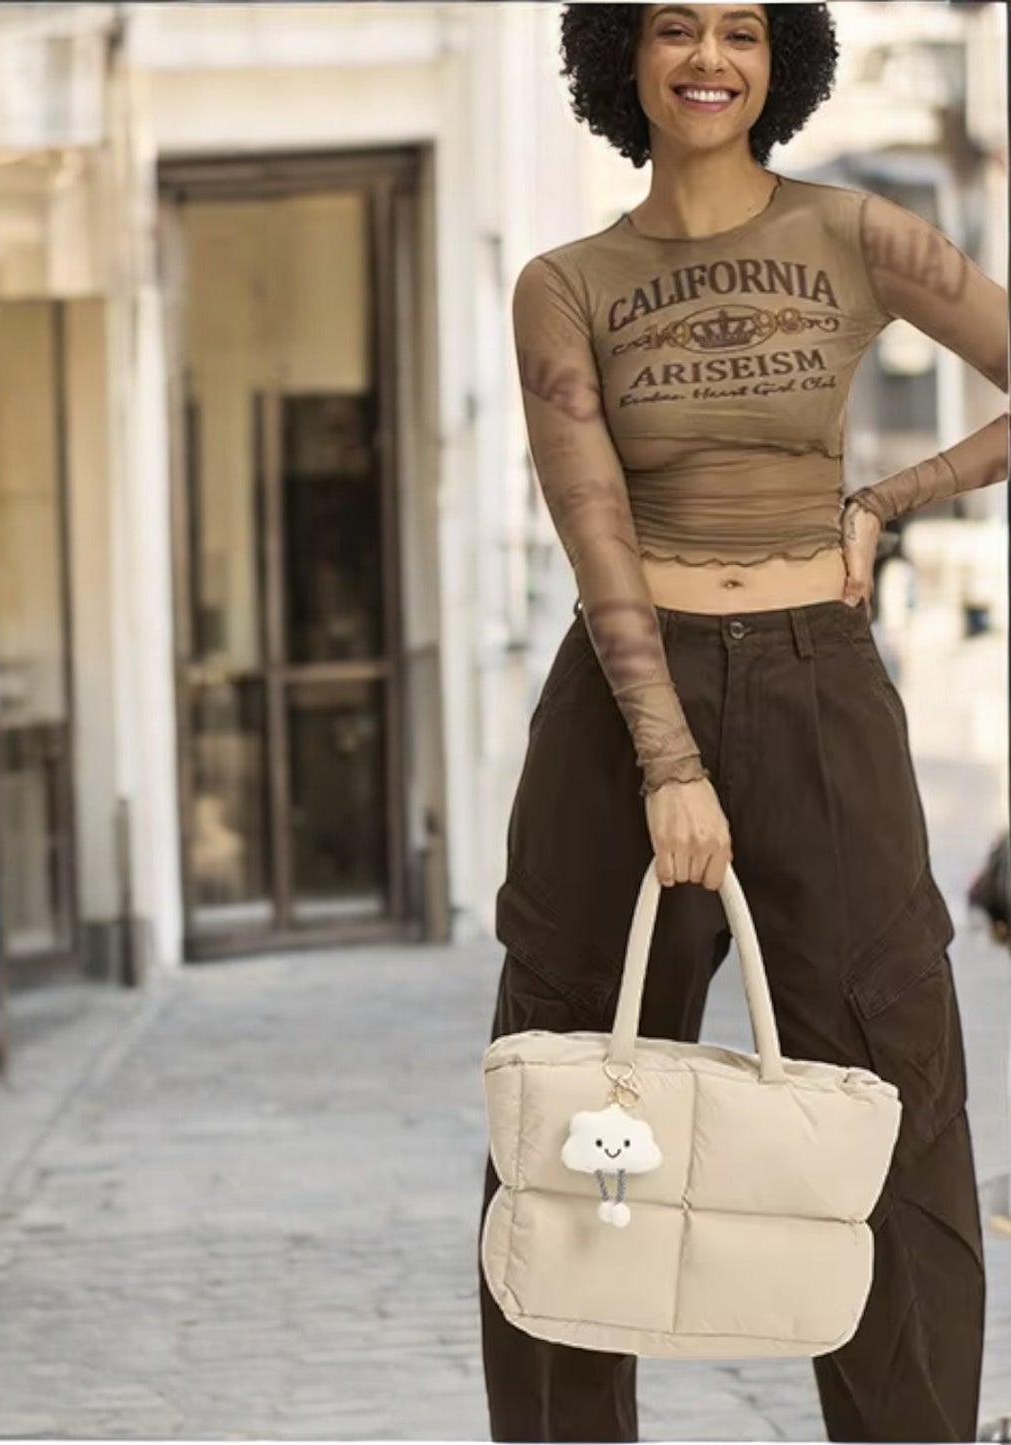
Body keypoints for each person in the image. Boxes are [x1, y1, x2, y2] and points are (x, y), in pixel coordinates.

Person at [477, 4, 1010, 1441]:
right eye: (671, 28)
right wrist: (665, 759)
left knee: (889, 1093)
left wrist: (890, 499)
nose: (706, 57)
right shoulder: (564, 282)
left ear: (781, 63)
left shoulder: (860, 234)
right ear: (619, 60)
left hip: (817, 689)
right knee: (573, 1115)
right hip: (615, 702)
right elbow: (593, 530)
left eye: (739, 31)